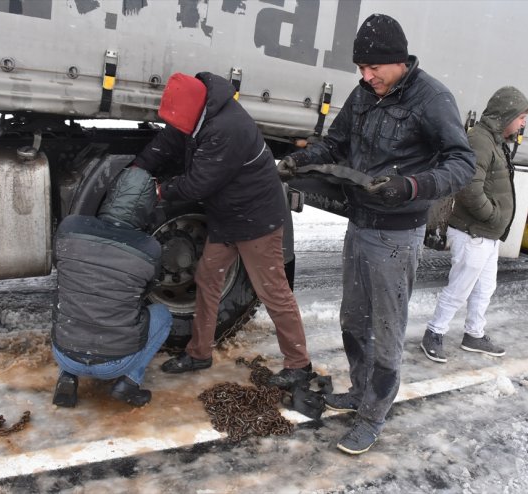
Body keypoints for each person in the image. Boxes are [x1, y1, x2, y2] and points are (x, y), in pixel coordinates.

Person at [278, 14, 476, 454]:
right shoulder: (365, 92)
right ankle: (360, 390)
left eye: (373, 69)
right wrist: (305, 160)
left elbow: (462, 164)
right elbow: (339, 142)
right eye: (361, 70)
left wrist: (412, 186)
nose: (366, 77)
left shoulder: (432, 99)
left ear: (399, 60)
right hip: (361, 222)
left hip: (397, 235)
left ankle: (373, 415)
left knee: (386, 329)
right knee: (353, 320)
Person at [132, 72, 312, 389]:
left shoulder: (227, 128)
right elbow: (170, 140)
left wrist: (161, 191)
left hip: (256, 221)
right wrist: (140, 166)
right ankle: (199, 352)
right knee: (207, 276)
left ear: (194, 108)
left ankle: (299, 365)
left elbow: (199, 182)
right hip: (227, 216)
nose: (177, 126)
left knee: (273, 292)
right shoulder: (198, 113)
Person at [422, 87, 528, 363]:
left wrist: (495, 223)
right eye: (520, 117)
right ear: (506, 115)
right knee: (460, 287)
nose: (523, 123)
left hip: (488, 234)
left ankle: (474, 333)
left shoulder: (494, 140)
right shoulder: (480, 140)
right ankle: (434, 332)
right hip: (474, 232)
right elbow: (469, 189)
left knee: (485, 288)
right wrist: (493, 217)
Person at [51, 167, 173, 408]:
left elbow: (60, 266)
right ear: (147, 207)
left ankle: (67, 376)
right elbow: (147, 290)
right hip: (115, 363)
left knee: (67, 297)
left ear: (112, 194)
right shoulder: (149, 248)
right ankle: (129, 381)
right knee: (162, 315)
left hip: (65, 352)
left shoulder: (70, 227)